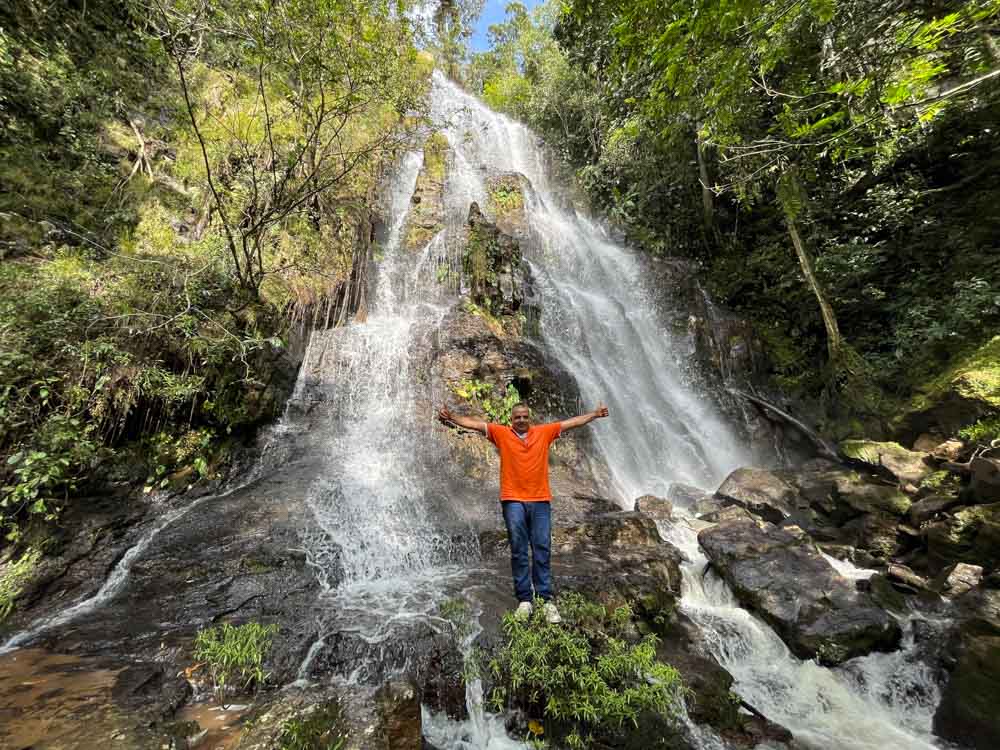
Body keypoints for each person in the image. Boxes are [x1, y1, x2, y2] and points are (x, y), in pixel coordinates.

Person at [437, 401, 610, 623]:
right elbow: (475, 425)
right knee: (518, 549)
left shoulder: (544, 432)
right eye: (517, 417)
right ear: (511, 419)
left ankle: (546, 599)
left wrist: (594, 414)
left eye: (524, 417)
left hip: (540, 500)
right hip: (513, 500)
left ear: (530, 418)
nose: (521, 420)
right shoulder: (501, 433)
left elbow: (571, 423)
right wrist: (452, 417)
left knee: (542, 547)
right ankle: (525, 600)